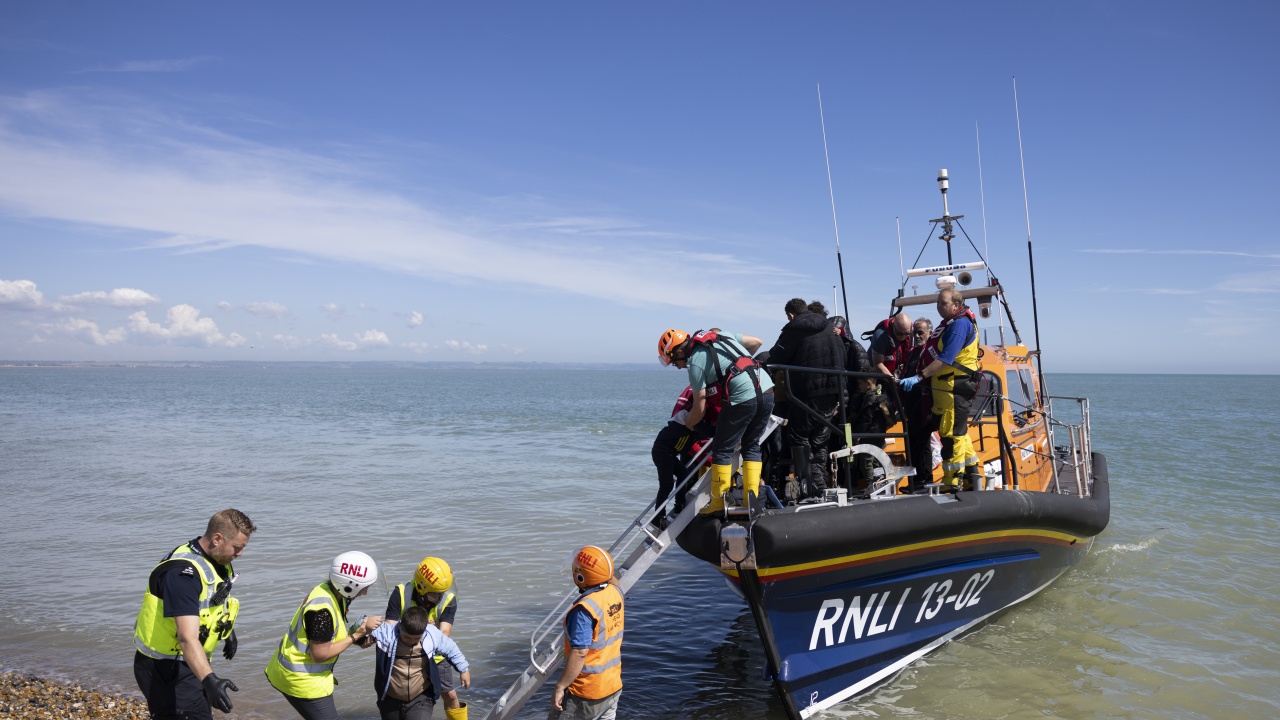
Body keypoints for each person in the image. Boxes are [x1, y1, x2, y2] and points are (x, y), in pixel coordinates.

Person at [134, 509, 256, 720]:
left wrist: (226, 631)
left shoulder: (216, 561)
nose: (240, 554)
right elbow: (186, 638)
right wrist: (210, 680)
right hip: (165, 669)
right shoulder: (183, 576)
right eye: (237, 547)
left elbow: (210, 603)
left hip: (187, 663)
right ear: (217, 539)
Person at [658, 327, 775, 514]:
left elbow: (699, 409)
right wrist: (736, 367)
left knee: (721, 449)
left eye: (674, 362)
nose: (678, 366)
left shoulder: (695, 362)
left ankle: (717, 503)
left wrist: (688, 425)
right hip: (767, 390)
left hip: (743, 397)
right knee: (751, 445)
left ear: (680, 352)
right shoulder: (723, 336)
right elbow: (756, 342)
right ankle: (750, 500)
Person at [266, 551, 385, 720]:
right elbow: (320, 655)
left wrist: (358, 638)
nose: (365, 593)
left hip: (296, 675)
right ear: (350, 586)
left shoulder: (330, 592)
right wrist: (356, 635)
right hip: (301, 680)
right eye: (364, 588)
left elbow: (328, 635)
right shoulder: (322, 611)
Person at [900, 289, 981, 490]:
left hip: (954, 386)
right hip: (945, 387)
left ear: (955, 304)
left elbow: (946, 359)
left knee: (951, 435)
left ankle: (952, 481)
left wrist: (919, 376)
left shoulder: (959, 325)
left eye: (943, 302)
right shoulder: (950, 324)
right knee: (959, 433)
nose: (939, 306)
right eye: (937, 302)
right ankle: (972, 475)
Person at [765, 299, 847, 499]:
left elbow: (776, 357)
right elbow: (843, 354)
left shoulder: (794, 328)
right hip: (832, 391)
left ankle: (808, 487)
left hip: (807, 392)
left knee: (798, 437)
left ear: (791, 314)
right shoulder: (829, 328)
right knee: (820, 440)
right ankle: (819, 486)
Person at [384, 557, 469, 720]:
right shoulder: (401, 593)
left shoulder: (448, 599)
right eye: (435, 595)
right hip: (404, 654)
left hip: (435, 654)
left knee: (450, 695)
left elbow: (444, 634)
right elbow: (389, 629)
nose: (440, 597)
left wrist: (427, 630)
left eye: (441, 593)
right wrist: (416, 625)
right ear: (421, 588)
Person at [549, 546, 624, 720]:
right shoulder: (615, 592)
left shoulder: (584, 610)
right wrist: (601, 564)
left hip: (586, 693)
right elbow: (610, 578)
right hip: (612, 686)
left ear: (581, 576)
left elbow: (580, 652)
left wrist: (560, 686)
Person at [372, 605, 471, 720]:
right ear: (400, 626)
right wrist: (364, 623)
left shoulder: (431, 634)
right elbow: (359, 633)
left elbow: (451, 648)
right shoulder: (386, 633)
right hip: (390, 699)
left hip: (421, 698)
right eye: (407, 637)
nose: (412, 642)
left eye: (416, 638)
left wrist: (464, 669)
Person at [650, 386, 719, 524]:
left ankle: (679, 504)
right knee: (666, 485)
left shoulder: (696, 422)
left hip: (669, 453)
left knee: (683, 474)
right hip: (662, 452)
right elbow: (710, 432)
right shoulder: (688, 417)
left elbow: (703, 436)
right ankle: (657, 518)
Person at [901, 318, 937, 491]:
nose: (916, 335)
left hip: (923, 404)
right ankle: (916, 480)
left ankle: (925, 479)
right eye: (914, 332)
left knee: (922, 442)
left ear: (930, 333)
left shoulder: (929, 352)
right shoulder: (914, 352)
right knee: (914, 442)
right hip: (911, 403)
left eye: (920, 332)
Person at [865, 312, 913, 379]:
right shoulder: (880, 336)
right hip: (876, 375)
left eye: (907, 333)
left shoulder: (913, 333)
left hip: (897, 374)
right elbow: (878, 364)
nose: (903, 336)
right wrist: (892, 381)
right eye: (899, 334)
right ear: (893, 325)